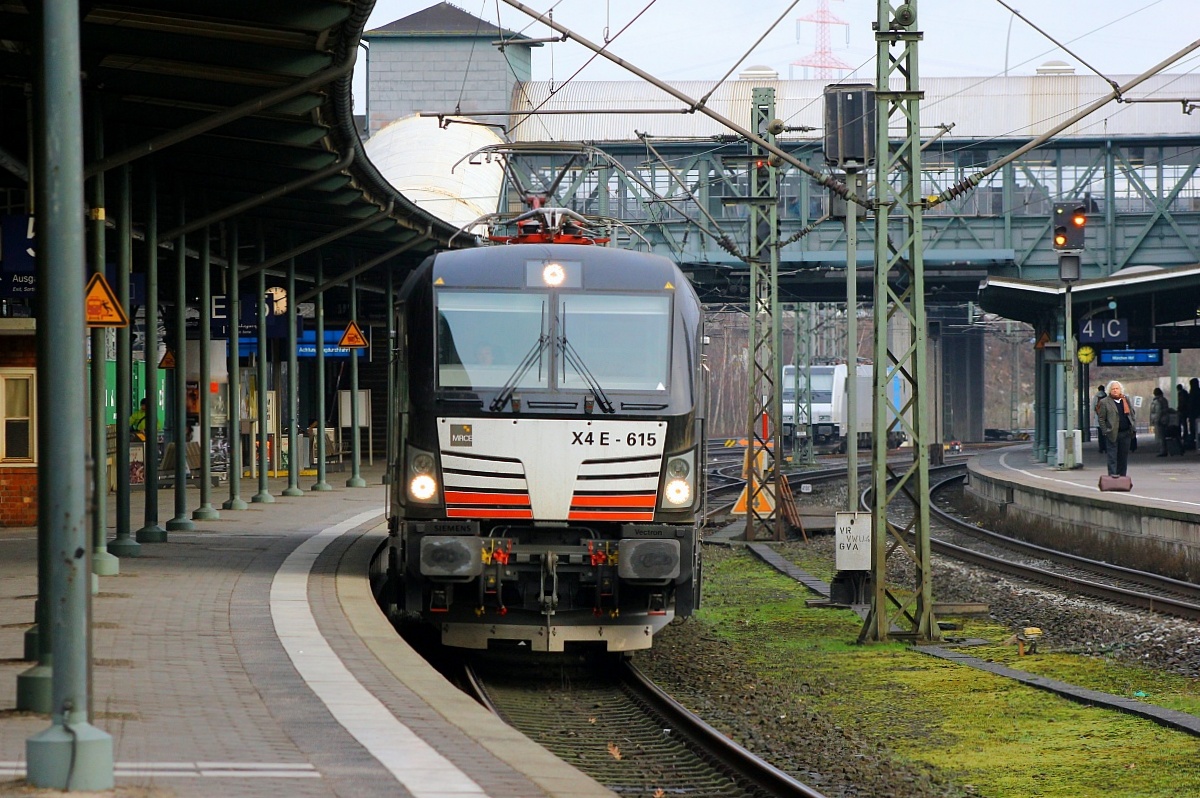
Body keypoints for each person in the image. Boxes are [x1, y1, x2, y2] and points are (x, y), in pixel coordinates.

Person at [1096, 380, 1135, 477]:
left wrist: (1133, 425)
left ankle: (1122, 478)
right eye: (1113, 389)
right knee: (1112, 458)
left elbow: (1132, 413)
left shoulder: (1125, 400)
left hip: (1125, 433)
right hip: (1112, 433)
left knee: (1123, 457)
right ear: (1109, 390)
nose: (1115, 390)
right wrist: (1105, 431)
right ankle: (1112, 477)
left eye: (1117, 388)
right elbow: (1101, 418)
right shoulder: (1104, 402)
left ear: (1120, 390)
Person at [1149, 387, 1169, 457]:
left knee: (1160, 437)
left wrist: (1155, 421)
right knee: (1163, 436)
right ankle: (1164, 450)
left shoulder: (1157, 401)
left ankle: (1163, 451)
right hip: (1164, 420)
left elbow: (1158, 412)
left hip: (1159, 421)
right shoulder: (1164, 400)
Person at [1093, 385, 1108, 453]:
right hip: (1106, 419)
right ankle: (1106, 447)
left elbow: (1093, 407)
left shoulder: (1096, 397)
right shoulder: (1107, 396)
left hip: (1098, 418)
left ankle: (1101, 448)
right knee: (1106, 434)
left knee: (1100, 435)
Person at [1189, 377, 1200, 449]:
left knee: (1195, 430)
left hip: (1194, 414)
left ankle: (1196, 446)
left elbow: (1191, 404)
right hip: (1198, 413)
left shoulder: (1192, 393)